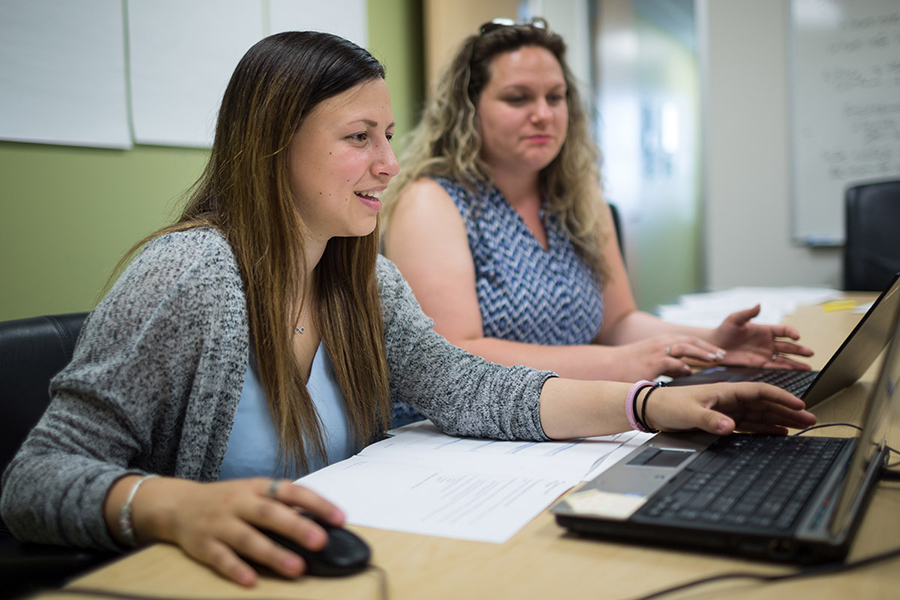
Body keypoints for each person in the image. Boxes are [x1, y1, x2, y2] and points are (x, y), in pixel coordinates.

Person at [1, 31, 815, 588]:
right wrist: (174, 506)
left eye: (388, 135)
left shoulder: (361, 276)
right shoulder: (187, 275)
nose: (390, 164)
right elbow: (34, 480)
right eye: (359, 137)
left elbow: (472, 386)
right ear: (273, 146)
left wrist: (650, 405)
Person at [381, 17, 814, 424]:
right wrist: (617, 363)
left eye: (555, 97)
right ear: (468, 109)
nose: (543, 114)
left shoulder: (578, 196)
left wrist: (711, 342)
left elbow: (618, 322)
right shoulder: (430, 202)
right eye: (518, 98)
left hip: (567, 413)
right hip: (463, 428)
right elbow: (455, 356)